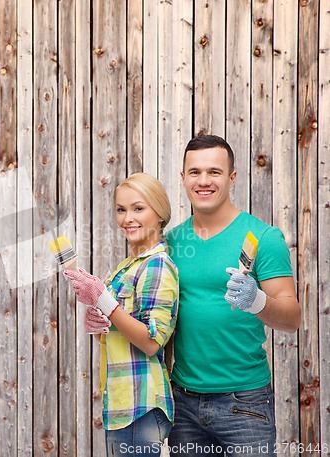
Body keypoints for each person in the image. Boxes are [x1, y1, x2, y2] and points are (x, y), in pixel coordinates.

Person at [166, 135, 301, 457]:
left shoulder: (263, 238)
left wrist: (258, 301)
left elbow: (292, 317)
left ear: (232, 178)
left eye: (214, 172)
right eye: (195, 172)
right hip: (182, 402)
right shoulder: (170, 242)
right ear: (183, 178)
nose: (204, 181)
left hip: (245, 403)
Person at [63, 173, 179, 457]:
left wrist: (104, 301)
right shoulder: (125, 267)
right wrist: (100, 322)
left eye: (138, 208)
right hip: (120, 401)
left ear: (160, 213)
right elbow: (121, 325)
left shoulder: (156, 266)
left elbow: (153, 341)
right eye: (121, 209)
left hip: (141, 404)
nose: (128, 218)